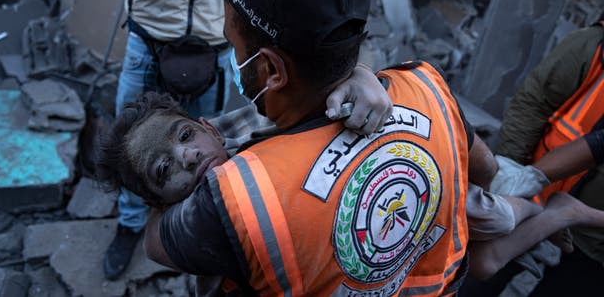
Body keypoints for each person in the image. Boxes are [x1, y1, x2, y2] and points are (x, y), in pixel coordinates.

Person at [125, 0, 474, 296]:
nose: (190, 156)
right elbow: (489, 173)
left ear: (272, 69)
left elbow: (156, 241)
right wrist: (356, 71)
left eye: (232, 44)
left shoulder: (239, 198)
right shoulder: (426, 86)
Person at [98, 93, 604, 294]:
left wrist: (358, 78)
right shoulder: (200, 216)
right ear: (160, 201)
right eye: (166, 169)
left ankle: (553, 205)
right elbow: (156, 239)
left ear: (206, 126)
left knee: (498, 219)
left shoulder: (247, 123)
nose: (188, 156)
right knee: (489, 254)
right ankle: (557, 211)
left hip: (431, 208)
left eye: (187, 138)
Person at [77, 0, 275, 279]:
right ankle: (131, 227)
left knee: (202, 156)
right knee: (136, 153)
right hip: (149, 40)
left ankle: (196, 237)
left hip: (214, 42)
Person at [494, 17, 604, 296]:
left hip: (592, 249)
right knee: (480, 276)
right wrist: (510, 175)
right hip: (531, 203)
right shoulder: (591, 48)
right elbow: (532, 103)